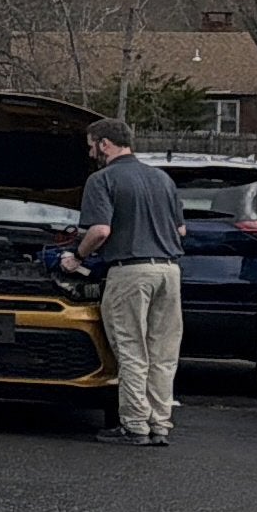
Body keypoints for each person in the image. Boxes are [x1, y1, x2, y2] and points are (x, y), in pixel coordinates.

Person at [73, 117, 186, 445]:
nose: (92, 151)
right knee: (162, 352)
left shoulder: (102, 180)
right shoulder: (162, 179)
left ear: (105, 144)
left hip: (130, 272)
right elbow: (181, 231)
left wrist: (77, 256)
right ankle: (160, 425)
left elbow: (100, 231)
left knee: (131, 348)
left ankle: (135, 425)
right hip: (169, 271)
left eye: (92, 145)